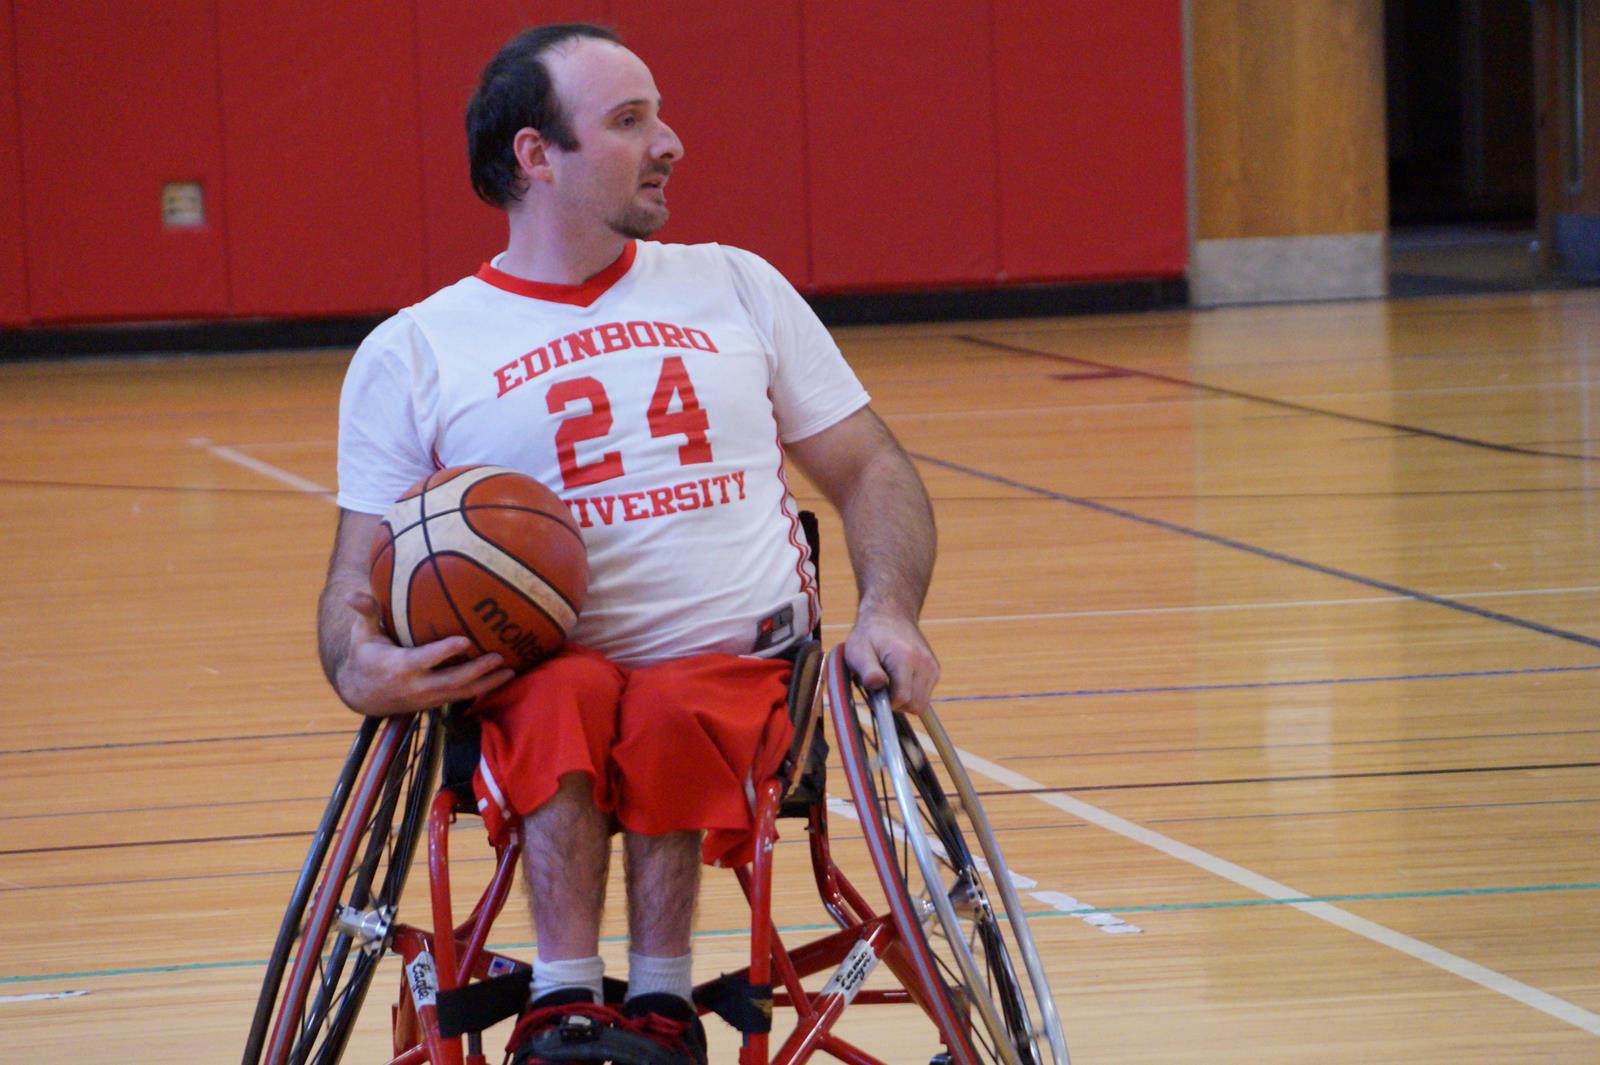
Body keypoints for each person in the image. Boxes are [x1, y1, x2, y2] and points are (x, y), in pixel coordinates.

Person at [316, 22, 938, 1064]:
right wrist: (361, 661)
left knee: (669, 703)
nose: (671, 141)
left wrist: (888, 611)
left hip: (744, 676)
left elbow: (871, 468)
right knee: (567, 695)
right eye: (629, 119)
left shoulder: (734, 283)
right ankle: (562, 999)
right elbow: (353, 582)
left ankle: (660, 1006)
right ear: (534, 154)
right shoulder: (415, 348)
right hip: (527, 685)